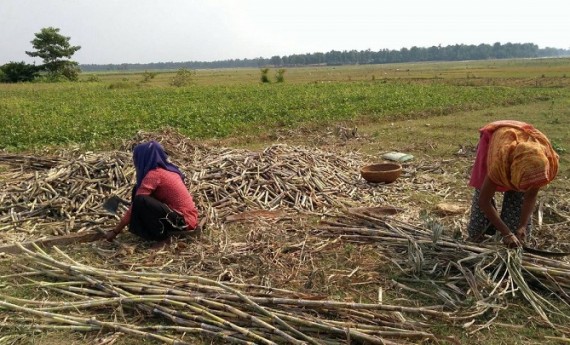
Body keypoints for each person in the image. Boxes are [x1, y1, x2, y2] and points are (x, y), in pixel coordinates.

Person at [467, 120, 558, 248]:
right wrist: (507, 233)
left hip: (521, 138)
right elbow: (483, 201)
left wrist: (522, 226)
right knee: (478, 226)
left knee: (517, 214)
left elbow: (530, 196)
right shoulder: (499, 163)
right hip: (496, 139)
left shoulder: (539, 166)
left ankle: (515, 234)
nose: (526, 188)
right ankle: (483, 238)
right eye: (523, 184)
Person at [105, 141, 199, 247]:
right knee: (137, 190)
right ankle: (152, 231)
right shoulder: (170, 171)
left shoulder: (154, 174)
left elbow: (137, 204)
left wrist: (115, 231)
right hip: (185, 218)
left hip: (183, 221)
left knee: (140, 199)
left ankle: (162, 239)